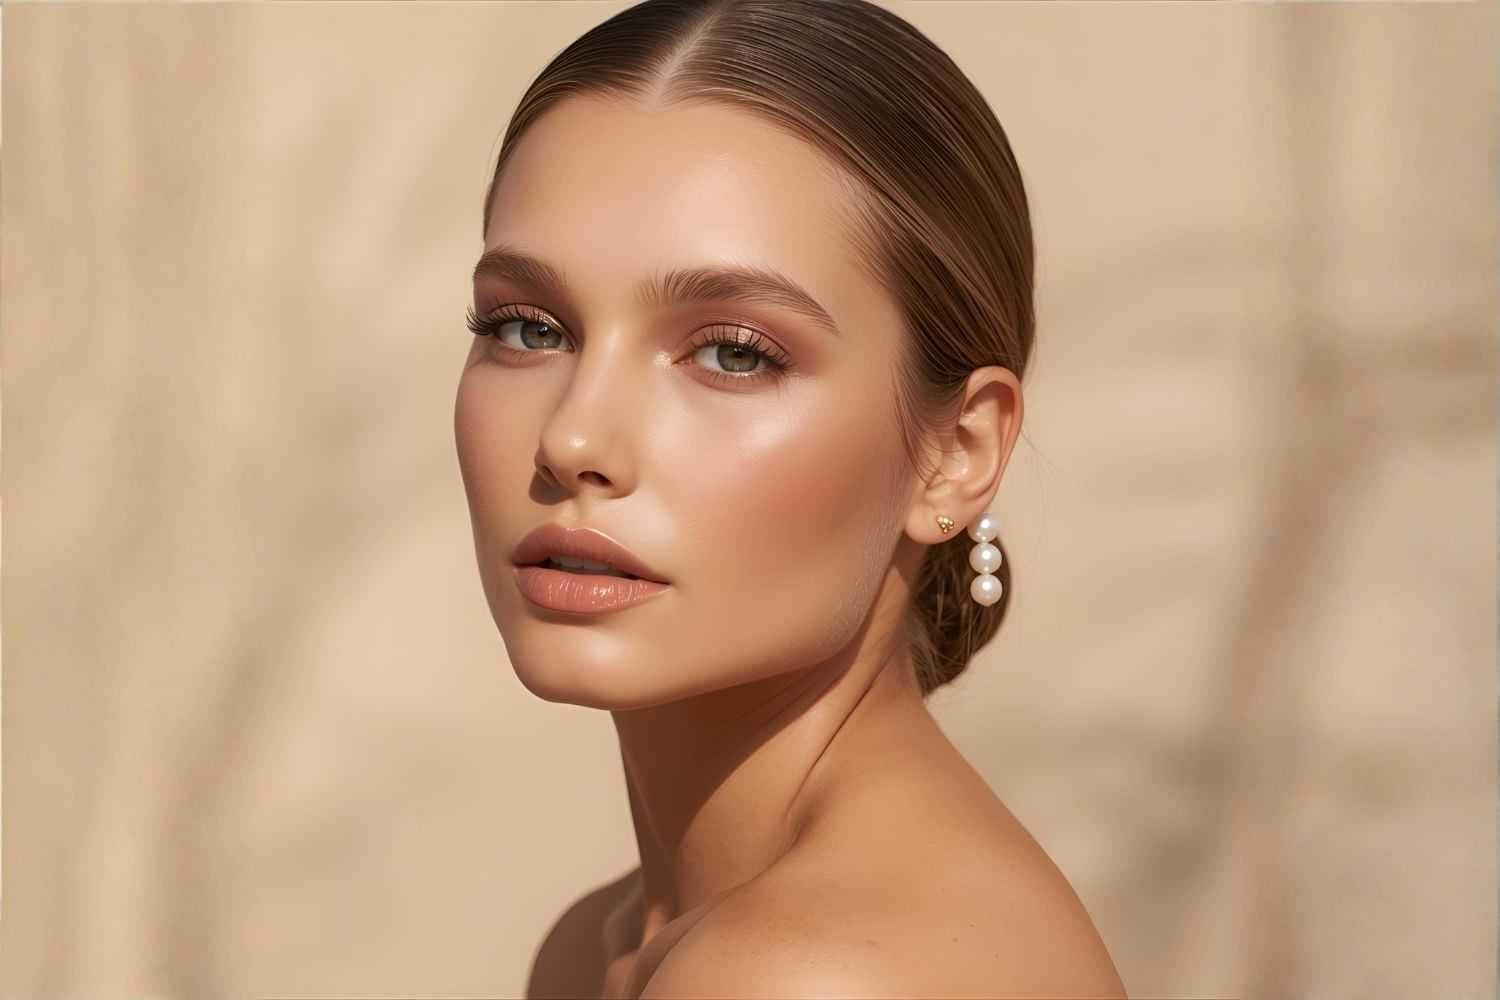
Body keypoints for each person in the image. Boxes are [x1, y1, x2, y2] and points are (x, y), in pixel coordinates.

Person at [454, 0, 1127, 995]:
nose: (574, 438)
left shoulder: (813, 973)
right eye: (528, 329)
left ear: (957, 450)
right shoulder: (608, 946)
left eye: (733, 352)